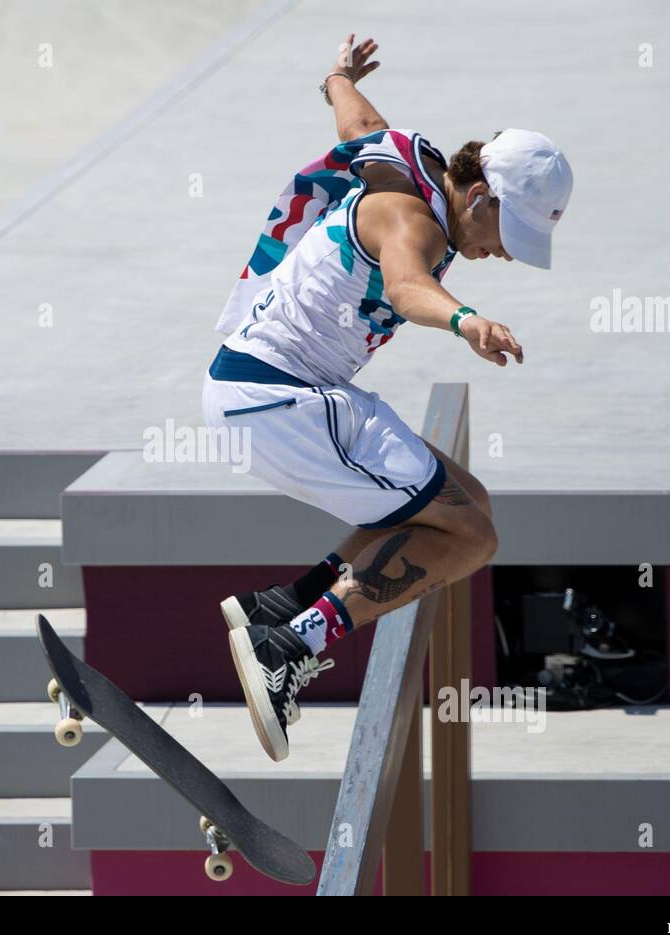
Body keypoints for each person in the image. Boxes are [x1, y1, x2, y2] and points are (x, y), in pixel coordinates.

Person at [202, 34, 573, 761]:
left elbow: (350, 118)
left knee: (469, 500)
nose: (503, 254)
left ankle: (281, 605)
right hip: (279, 400)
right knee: (471, 538)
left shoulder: (398, 154)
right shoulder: (415, 223)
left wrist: (339, 75)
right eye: (509, 233)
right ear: (477, 196)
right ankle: (286, 649)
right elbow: (406, 285)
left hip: (268, 390)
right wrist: (467, 321)